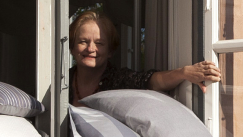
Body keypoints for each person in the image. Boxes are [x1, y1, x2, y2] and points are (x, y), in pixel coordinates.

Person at [68, 9, 221, 107]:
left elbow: (152, 81)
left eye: (99, 43)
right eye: (83, 41)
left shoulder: (118, 80)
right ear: (72, 47)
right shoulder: (61, 82)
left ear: (110, 51)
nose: (90, 49)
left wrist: (184, 73)